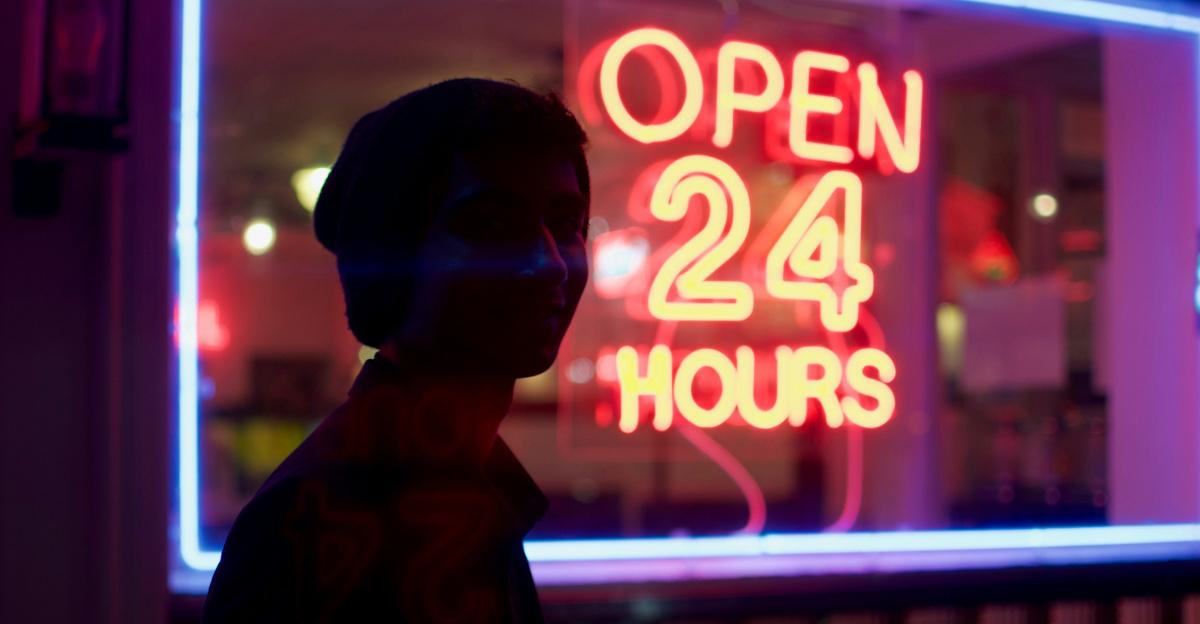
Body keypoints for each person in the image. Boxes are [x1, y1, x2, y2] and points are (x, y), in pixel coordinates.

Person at [202, 78, 590, 623]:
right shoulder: (316, 515)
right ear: (395, 255)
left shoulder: (472, 491)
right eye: (494, 224)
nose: (547, 262)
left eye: (567, 225)